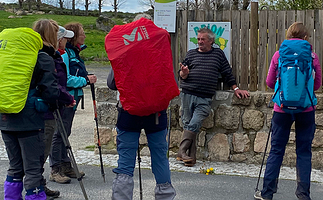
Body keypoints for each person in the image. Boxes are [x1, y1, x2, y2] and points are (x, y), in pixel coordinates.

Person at [107, 14, 176, 200]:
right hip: (156, 111)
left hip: (129, 110)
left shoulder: (124, 47)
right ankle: (165, 195)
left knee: (126, 159)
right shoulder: (159, 42)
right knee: (160, 156)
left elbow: (112, 83)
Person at [254, 22, 322, 200]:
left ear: (288, 34)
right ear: (305, 36)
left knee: (276, 150)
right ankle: (303, 194)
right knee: (304, 152)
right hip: (306, 109)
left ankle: (267, 193)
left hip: (282, 109)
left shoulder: (279, 54)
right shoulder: (312, 56)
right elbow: (317, 85)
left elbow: (269, 82)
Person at [0, 19, 60, 200]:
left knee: (15, 167)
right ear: (51, 36)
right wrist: (56, 102)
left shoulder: (16, 56)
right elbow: (50, 91)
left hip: (6, 117)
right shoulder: (42, 57)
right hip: (30, 120)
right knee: (33, 168)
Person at [178, 27, 249, 167]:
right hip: (187, 94)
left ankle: (181, 151)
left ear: (211, 41)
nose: (199, 42)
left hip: (204, 97)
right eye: (198, 39)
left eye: (203, 39)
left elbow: (227, 72)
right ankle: (189, 159)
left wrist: (236, 88)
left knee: (194, 123)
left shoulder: (218, 54)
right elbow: (181, 75)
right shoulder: (191, 54)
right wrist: (184, 73)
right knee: (187, 123)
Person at [49, 22, 97, 183]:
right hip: (65, 98)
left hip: (72, 98)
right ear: (74, 35)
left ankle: (65, 165)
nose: (84, 35)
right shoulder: (65, 54)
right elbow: (66, 79)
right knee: (59, 133)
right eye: (82, 32)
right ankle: (55, 169)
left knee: (65, 133)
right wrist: (85, 80)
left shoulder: (73, 53)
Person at [41, 26, 76, 196]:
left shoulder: (56, 55)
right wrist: (67, 98)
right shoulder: (51, 57)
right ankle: (39, 188)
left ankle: (38, 187)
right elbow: (54, 84)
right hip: (49, 108)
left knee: (58, 137)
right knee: (50, 142)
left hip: (55, 104)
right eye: (63, 38)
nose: (66, 41)